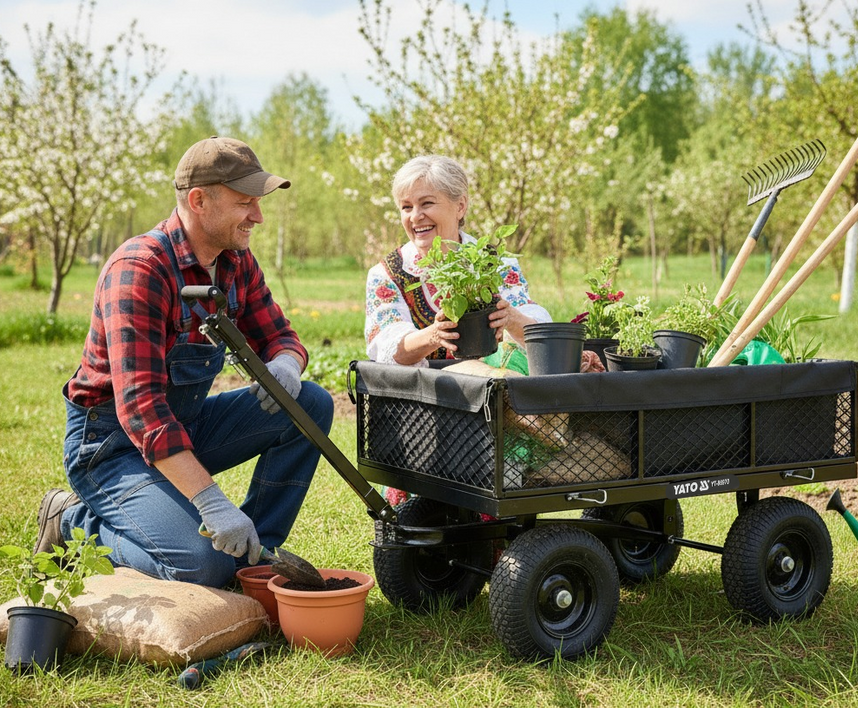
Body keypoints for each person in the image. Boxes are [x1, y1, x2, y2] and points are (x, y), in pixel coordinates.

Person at [35, 136, 334, 588]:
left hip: (184, 425)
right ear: (198, 201)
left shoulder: (235, 261)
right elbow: (141, 409)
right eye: (245, 203)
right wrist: (212, 502)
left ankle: (251, 560)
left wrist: (286, 363)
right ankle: (72, 522)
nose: (258, 216)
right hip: (112, 447)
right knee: (200, 565)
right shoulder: (139, 269)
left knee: (309, 404)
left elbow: (280, 336)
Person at [365, 154, 551, 367]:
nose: (415, 216)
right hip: (422, 387)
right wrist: (434, 335)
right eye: (406, 207)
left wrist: (511, 318)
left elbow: (542, 336)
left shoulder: (495, 263)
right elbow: (387, 349)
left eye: (427, 203)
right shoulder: (387, 274)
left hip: (492, 384)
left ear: (460, 206)